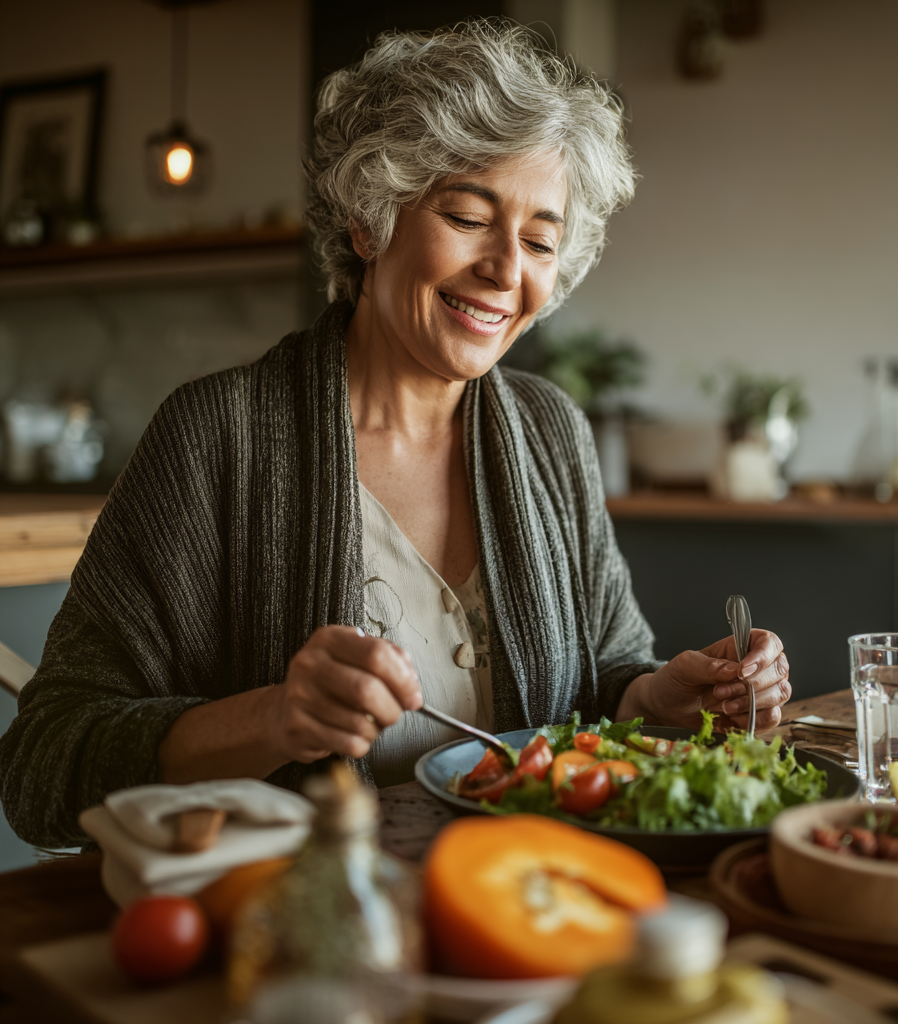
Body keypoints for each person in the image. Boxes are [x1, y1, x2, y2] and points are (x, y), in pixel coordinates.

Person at [0, 22, 791, 848]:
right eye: (467, 215)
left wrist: (656, 699)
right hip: (298, 930)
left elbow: (607, 683)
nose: (505, 269)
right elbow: (44, 764)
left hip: (527, 906)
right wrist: (274, 719)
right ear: (368, 220)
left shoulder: (550, 431)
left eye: (539, 241)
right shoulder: (217, 438)